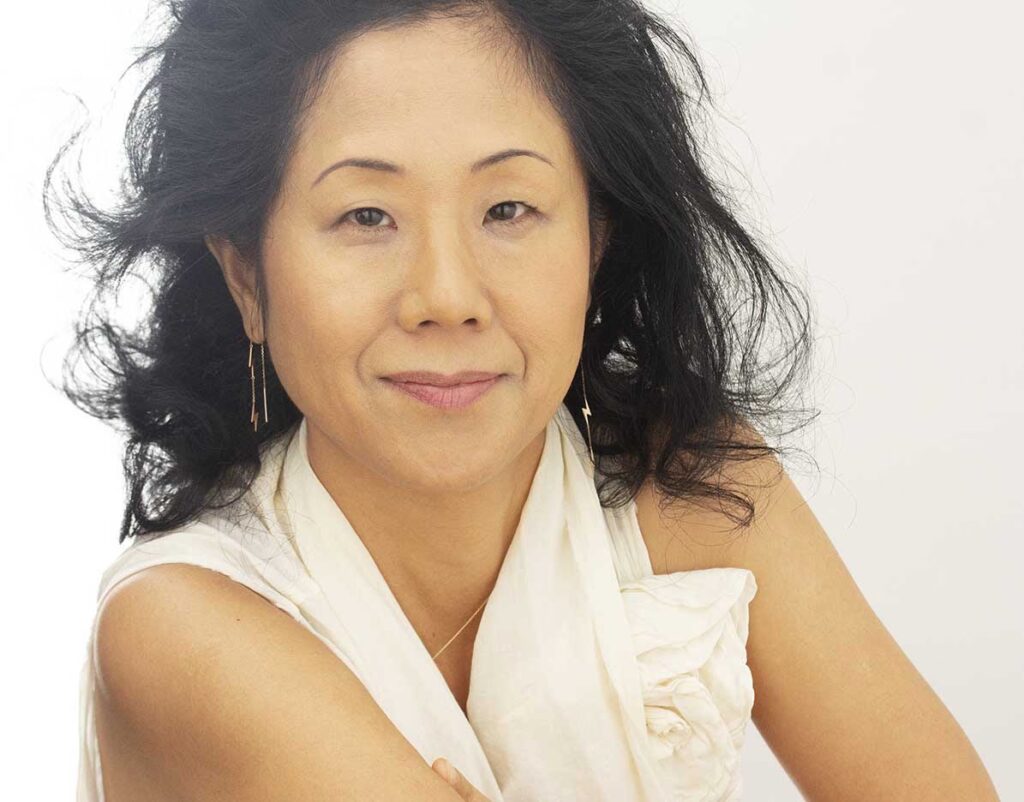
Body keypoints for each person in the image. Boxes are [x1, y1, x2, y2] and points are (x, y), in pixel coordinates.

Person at [48, 1, 999, 800]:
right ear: (247, 275)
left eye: (508, 209)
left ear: (595, 241)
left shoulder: (697, 489)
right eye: (366, 216)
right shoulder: (179, 622)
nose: (446, 296)